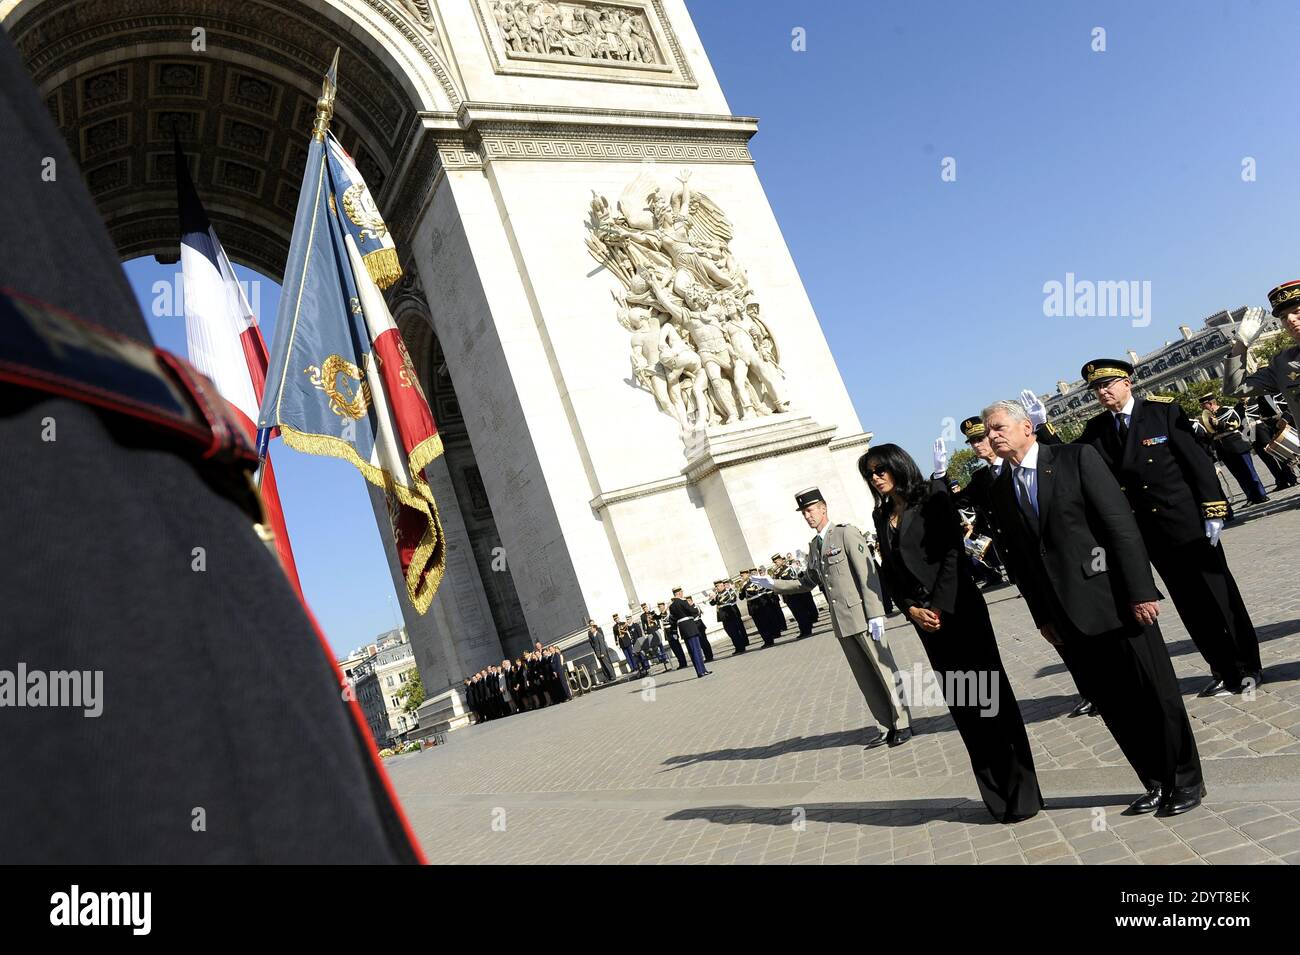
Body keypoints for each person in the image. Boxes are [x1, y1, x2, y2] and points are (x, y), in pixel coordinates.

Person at [981, 400, 1203, 817]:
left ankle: (1185, 779)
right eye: (987, 430)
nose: (992, 435)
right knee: (1115, 703)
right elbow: (1022, 561)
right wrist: (1042, 616)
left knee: (1155, 693)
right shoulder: (1000, 488)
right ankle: (1154, 780)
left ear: (1027, 427)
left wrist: (1141, 592)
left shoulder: (1074, 458)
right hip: (1067, 616)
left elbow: (1120, 526)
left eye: (998, 427)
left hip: (1116, 601)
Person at [860, 444, 1042, 823]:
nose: (876, 477)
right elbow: (890, 572)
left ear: (898, 465)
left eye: (880, 469)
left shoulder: (931, 498)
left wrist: (938, 606)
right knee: (965, 705)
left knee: (990, 698)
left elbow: (951, 556)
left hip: (959, 612)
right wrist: (910, 609)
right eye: (869, 473)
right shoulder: (881, 515)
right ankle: (996, 796)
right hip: (926, 621)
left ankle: (1023, 791)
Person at [1073, 358, 1261, 696]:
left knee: (1219, 597)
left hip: (1188, 523)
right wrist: (1041, 432)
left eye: (1107, 384)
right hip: (1150, 534)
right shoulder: (1097, 430)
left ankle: (1247, 667)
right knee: (1190, 604)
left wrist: (1213, 509)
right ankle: (1221, 667)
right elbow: (1068, 458)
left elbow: (1196, 462)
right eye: (1096, 388)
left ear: (1127, 382)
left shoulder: (1162, 411)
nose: (1102, 392)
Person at [939, 413, 1094, 718]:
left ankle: (1101, 685)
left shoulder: (1020, 465)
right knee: (1054, 630)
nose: (978, 445)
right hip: (1023, 565)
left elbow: (1061, 467)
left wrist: (1044, 428)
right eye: (972, 441)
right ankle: (1087, 690)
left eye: (981, 438)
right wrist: (940, 477)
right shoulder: (983, 479)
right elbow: (948, 505)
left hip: (1058, 557)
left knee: (1083, 622)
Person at [752, 488, 912, 747]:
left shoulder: (845, 533)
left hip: (862, 615)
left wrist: (876, 613)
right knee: (866, 679)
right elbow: (808, 581)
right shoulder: (815, 546)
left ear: (824, 508)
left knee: (885, 671)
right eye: (804, 512)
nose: (807, 516)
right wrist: (773, 584)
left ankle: (902, 722)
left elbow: (867, 574)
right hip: (841, 621)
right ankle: (885, 725)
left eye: (811, 510)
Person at [1223, 282, 1300, 465]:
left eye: (1296, 311)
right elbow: (1235, 389)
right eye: (1282, 316)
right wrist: (1241, 344)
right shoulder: (1283, 363)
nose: (1289, 319)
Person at [1199, 394, 1269, 505]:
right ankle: (1250, 497)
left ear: (1211, 403)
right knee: (1238, 474)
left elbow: (1234, 424)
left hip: (1236, 443)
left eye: (1204, 405)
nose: (1202, 407)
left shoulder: (1227, 410)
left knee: (1249, 470)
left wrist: (1219, 423)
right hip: (1222, 448)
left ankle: (1261, 494)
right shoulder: (1205, 417)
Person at [772, 553, 819, 636]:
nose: (775, 564)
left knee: (800, 613)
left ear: (781, 560)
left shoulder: (789, 568)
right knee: (797, 614)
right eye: (774, 563)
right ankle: (804, 629)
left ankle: (806, 630)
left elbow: (792, 578)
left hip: (795, 594)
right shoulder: (778, 573)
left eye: (776, 562)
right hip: (788, 596)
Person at [708, 578, 750, 652]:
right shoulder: (717, 595)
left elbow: (729, 599)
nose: (717, 588)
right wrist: (712, 598)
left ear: (723, 585)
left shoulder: (728, 592)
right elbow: (712, 603)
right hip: (724, 618)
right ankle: (737, 647)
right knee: (730, 633)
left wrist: (716, 597)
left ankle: (741, 647)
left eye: (718, 586)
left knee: (735, 632)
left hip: (730, 615)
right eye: (716, 587)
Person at [657, 600, 689, 669]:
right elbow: (657, 616)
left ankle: (683, 662)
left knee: (677, 648)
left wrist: (675, 632)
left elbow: (673, 623)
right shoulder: (662, 614)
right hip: (667, 633)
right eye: (659, 607)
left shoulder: (667, 613)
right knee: (674, 649)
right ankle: (681, 662)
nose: (660, 608)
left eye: (661, 606)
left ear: (664, 606)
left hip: (671, 632)